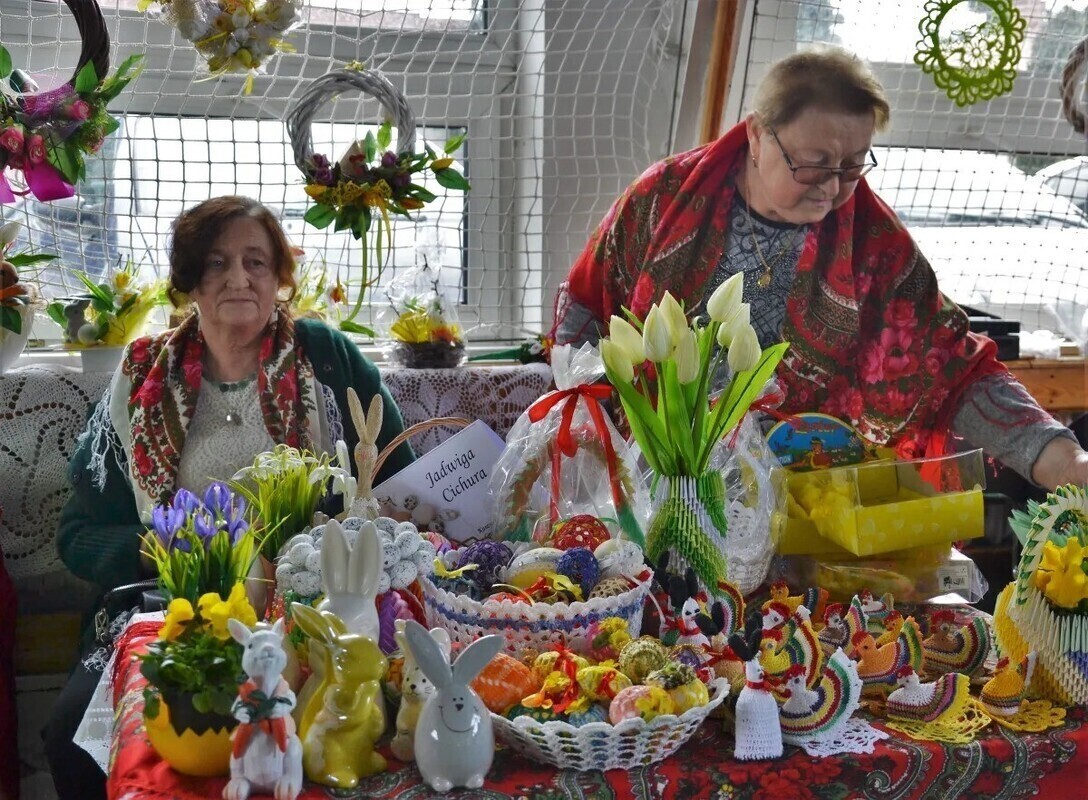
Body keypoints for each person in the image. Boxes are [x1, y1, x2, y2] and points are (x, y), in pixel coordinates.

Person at [553, 46, 1088, 492]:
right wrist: (575, 443)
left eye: (853, 165)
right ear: (758, 136)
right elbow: (584, 305)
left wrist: (1062, 459)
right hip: (650, 488)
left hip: (804, 498)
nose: (833, 187)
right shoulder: (663, 198)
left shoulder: (874, 245)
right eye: (813, 163)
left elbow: (952, 367)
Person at [42, 195, 415, 800]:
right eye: (216, 264)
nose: (238, 278)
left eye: (256, 262)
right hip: (171, 611)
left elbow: (404, 486)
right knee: (71, 736)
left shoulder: (329, 359)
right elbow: (78, 535)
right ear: (189, 281)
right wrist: (169, 551)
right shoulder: (141, 378)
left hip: (321, 611)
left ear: (279, 278)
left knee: (379, 724)